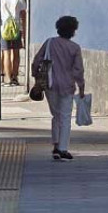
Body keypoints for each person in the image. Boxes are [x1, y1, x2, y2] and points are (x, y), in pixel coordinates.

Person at [32, 16, 85, 161]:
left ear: (58, 28)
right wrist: (81, 87)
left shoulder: (49, 43)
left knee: (56, 115)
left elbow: (37, 60)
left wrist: (36, 76)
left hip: (50, 84)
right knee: (65, 116)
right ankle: (63, 148)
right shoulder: (75, 48)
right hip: (67, 86)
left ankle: (56, 145)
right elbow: (78, 70)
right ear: (73, 31)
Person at [0, 0, 26, 86]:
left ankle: (7, 78)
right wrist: (24, 31)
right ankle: (15, 77)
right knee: (16, 54)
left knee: (6, 53)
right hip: (16, 29)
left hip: (4, 29)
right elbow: (23, 15)